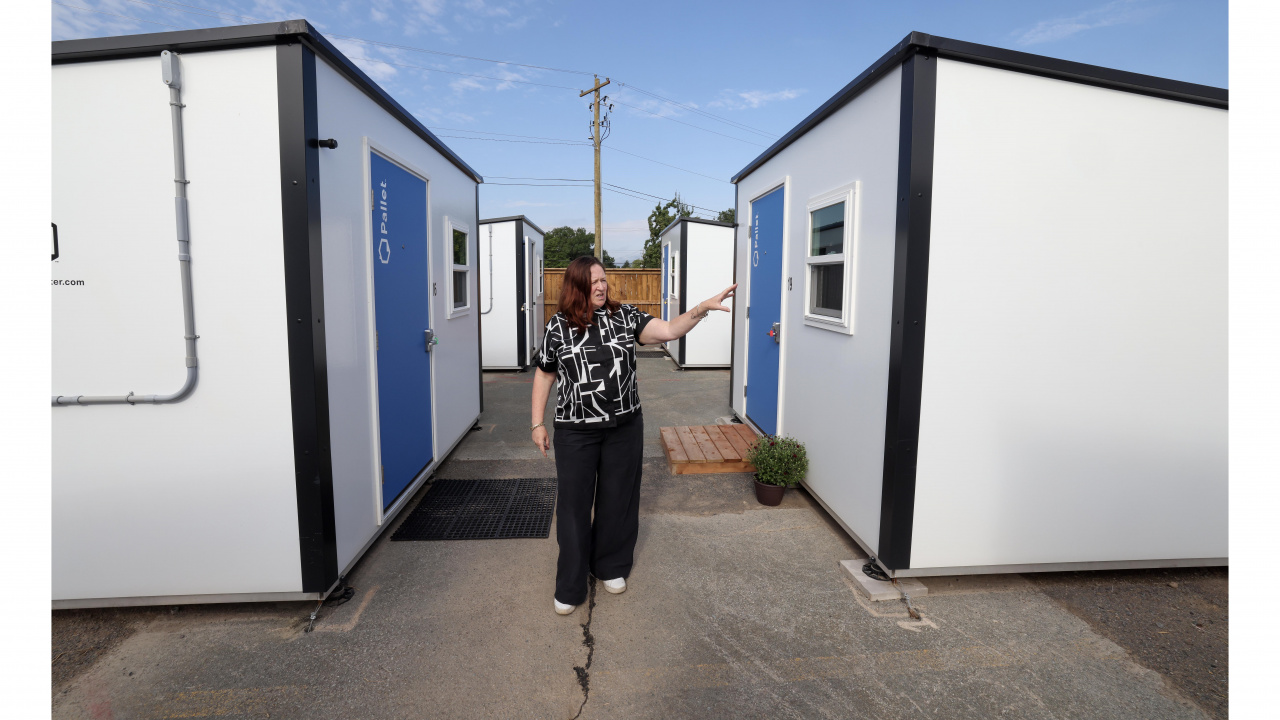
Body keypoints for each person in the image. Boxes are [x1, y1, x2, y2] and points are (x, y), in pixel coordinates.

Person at [531, 256, 735, 615]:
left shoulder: (624, 317)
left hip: (624, 428)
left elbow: (670, 330)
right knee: (574, 508)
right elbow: (545, 375)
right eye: (592, 281)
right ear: (576, 286)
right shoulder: (558, 327)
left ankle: (609, 566)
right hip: (575, 433)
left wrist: (702, 308)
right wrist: (537, 423)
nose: (601, 286)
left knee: (618, 500)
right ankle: (570, 584)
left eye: (603, 280)